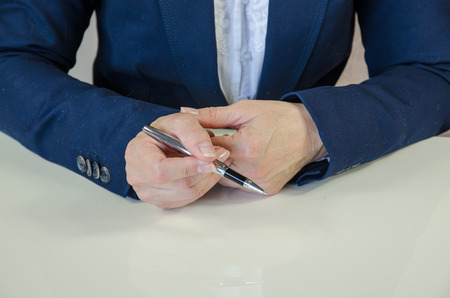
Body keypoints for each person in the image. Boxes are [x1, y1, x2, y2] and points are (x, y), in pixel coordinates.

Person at [0, 0, 449, 209]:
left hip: (315, 206)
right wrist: (122, 138)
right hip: (126, 213)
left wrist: (312, 129)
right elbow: (10, 57)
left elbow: (435, 69)